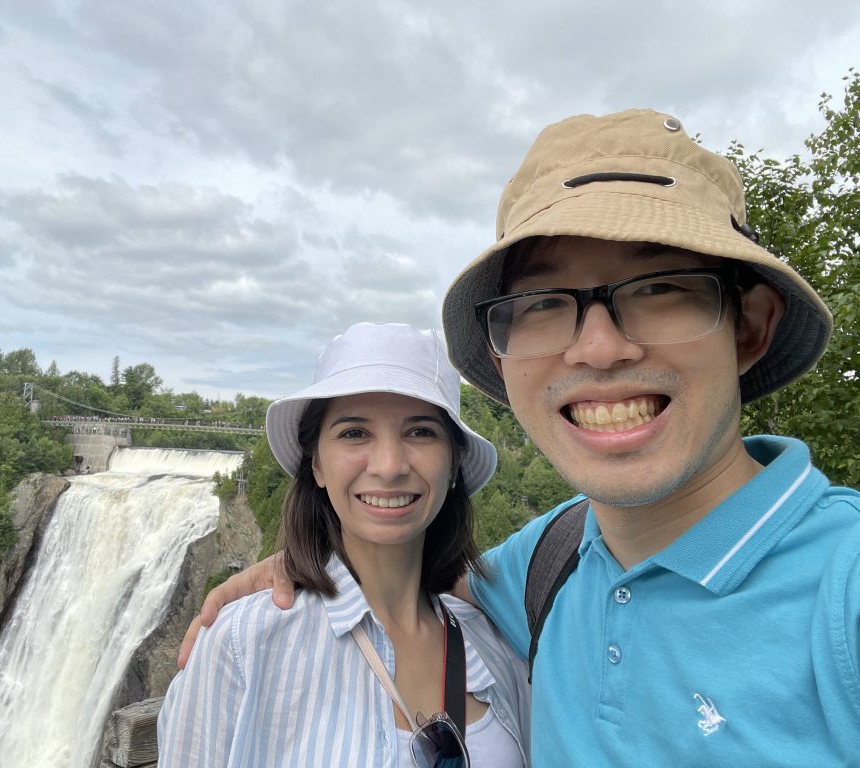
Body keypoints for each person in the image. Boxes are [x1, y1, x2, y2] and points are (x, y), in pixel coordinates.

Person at [181, 110, 860, 765]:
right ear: (504, 362)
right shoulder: (549, 563)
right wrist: (310, 566)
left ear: (750, 327)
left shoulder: (842, 587)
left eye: (659, 287)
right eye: (542, 303)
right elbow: (406, 575)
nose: (598, 347)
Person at [158, 322, 530, 766]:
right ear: (316, 463)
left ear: (453, 466)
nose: (389, 466)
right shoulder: (243, 644)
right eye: (355, 433)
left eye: (421, 432)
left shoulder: (494, 639)